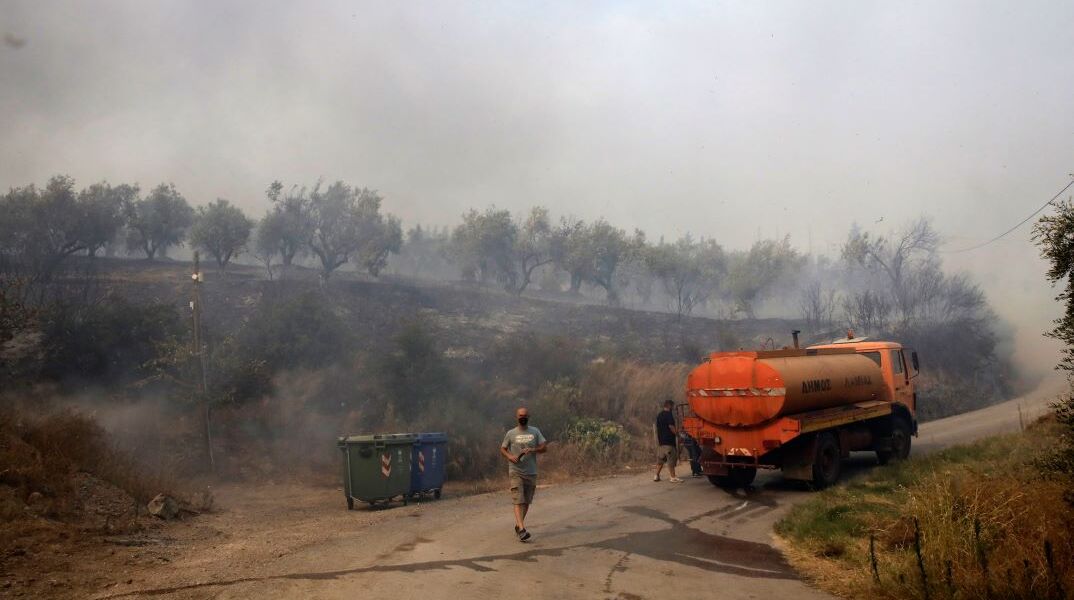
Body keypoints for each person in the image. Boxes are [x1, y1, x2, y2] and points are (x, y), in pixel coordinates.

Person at [500, 407, 547, 542]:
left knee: (526, 501)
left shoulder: (535, 431)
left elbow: (544, 447)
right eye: (520, 415)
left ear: (529, 416)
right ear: (517, 417)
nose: (523, 417)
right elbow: (502, 449)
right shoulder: (511, 433)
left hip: (531, 472)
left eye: (525, 415)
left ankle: (518, 525)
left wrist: (533, 449)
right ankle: (522, 529)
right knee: (518, 499)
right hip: (515, 471)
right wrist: (509, 456)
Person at [654, 399, 682, 483]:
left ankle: (656, 476)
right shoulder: (669, 415)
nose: (673, 408)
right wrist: (677, 434)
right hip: (669, 441)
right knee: (671, 459)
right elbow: (671, 426)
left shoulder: (659, 415)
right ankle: (673, 477)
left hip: (661, 442)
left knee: (661, 460)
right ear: (669, 406)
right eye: (672, 406)